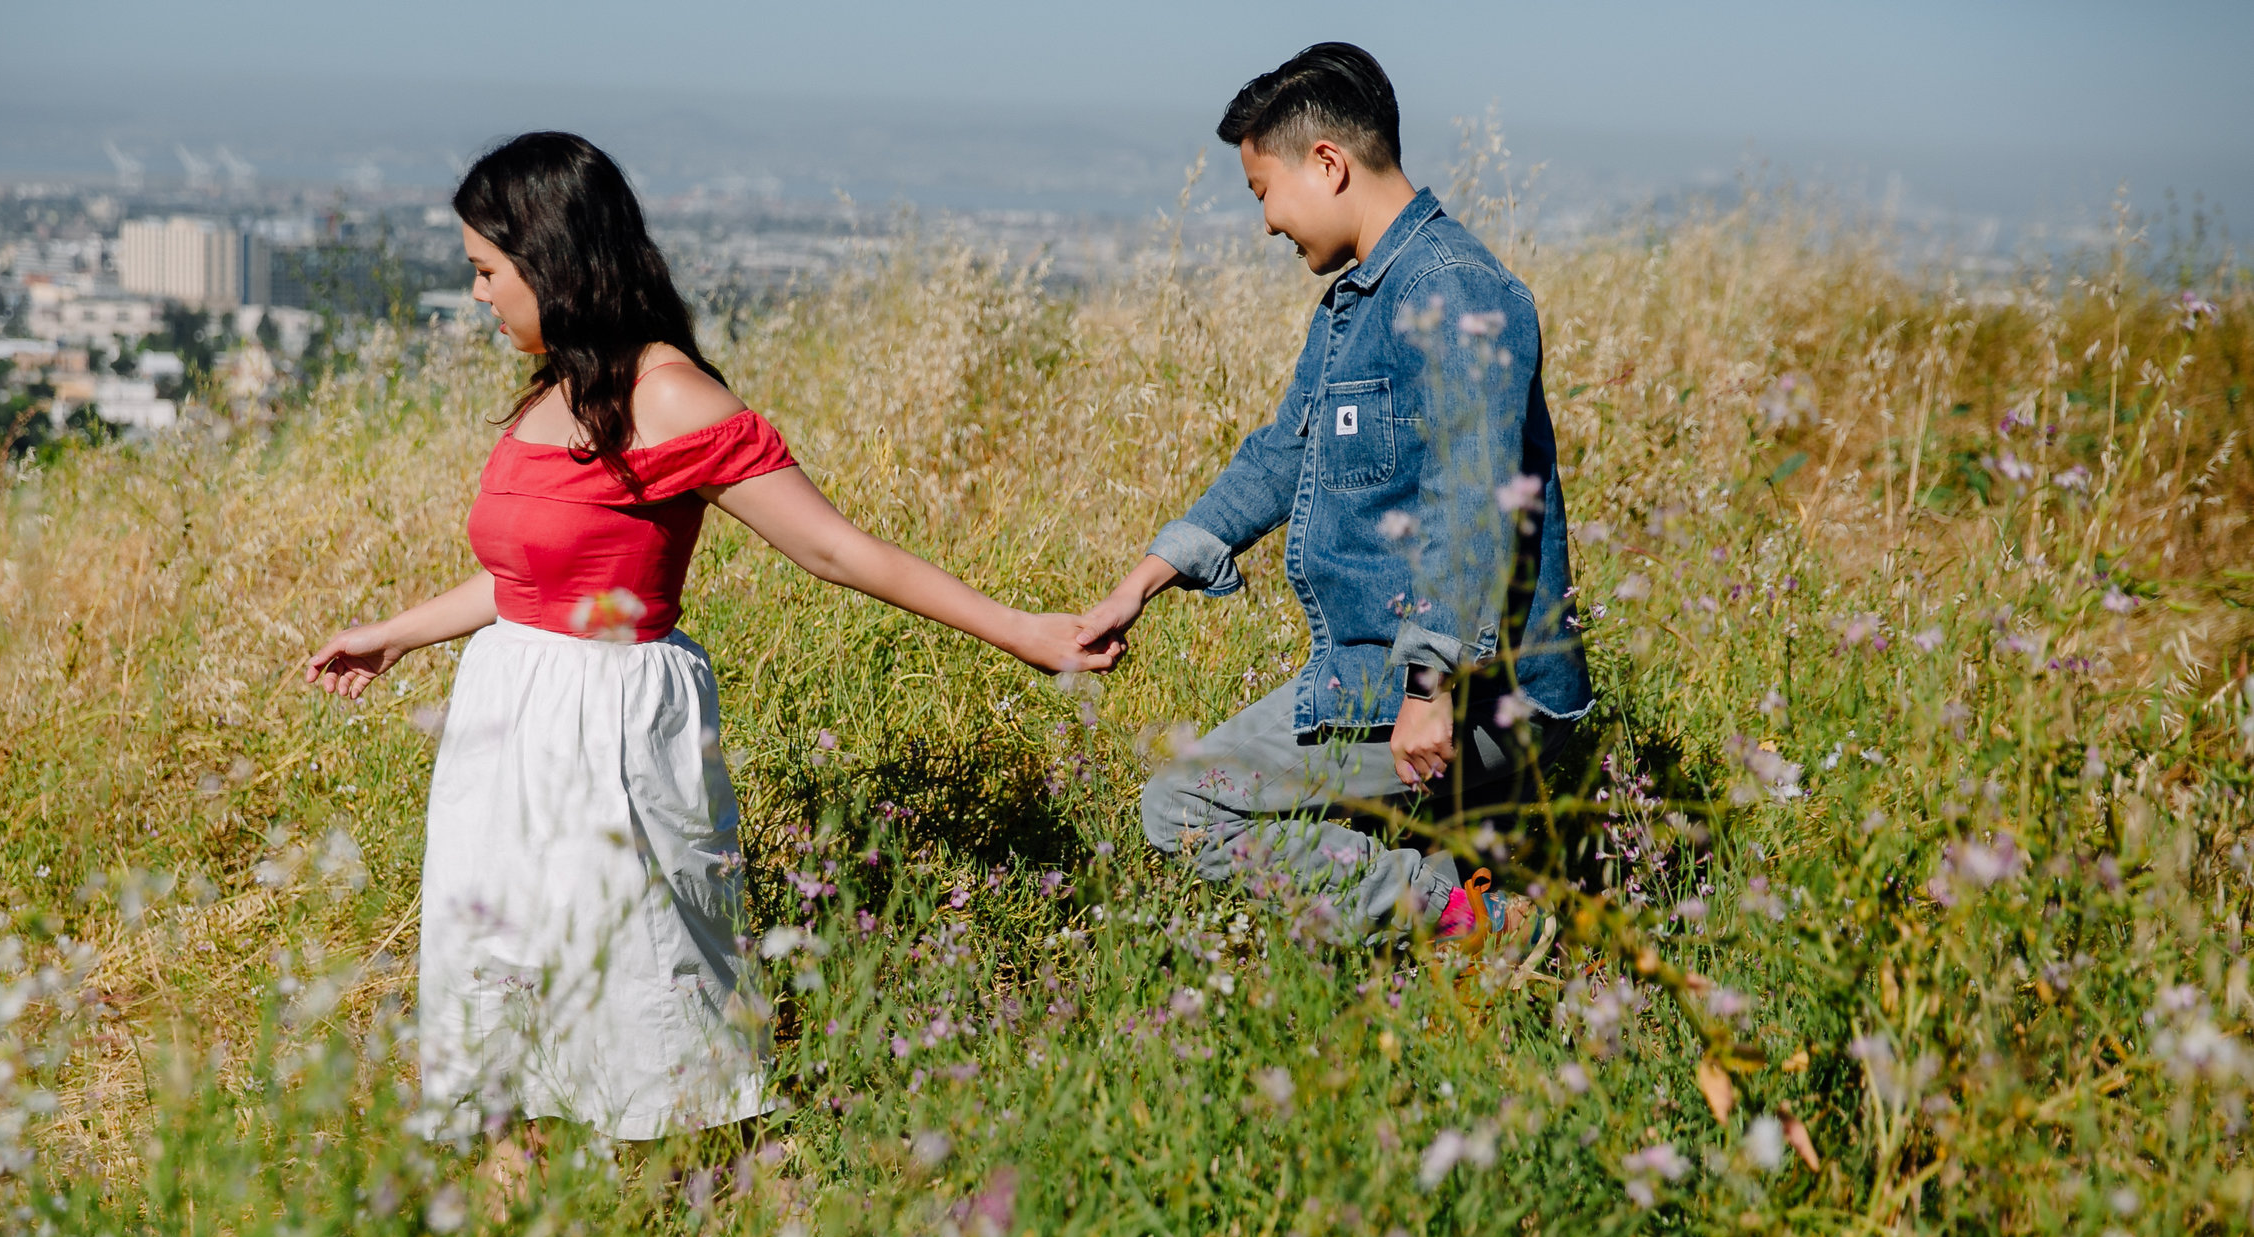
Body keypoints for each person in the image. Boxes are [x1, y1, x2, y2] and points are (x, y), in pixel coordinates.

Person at [306, 132, 1118, 1141]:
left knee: (645, 978)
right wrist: (396, 635)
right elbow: (529, 578)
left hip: (611, 726)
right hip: (505, 720)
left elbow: (835, 551)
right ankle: (514, 1234)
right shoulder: (556, 390)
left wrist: (1021, 632)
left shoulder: (672, 396)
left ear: (551, 261)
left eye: (486, 271)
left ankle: (710, 1203)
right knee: (497, 977)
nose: (478, 296)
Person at [1075, 43, 1593, 967]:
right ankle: (1442, 915)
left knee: (1185, 804)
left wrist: (1429, 692)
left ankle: (1484, 928)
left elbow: (1472, 507)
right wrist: (1143, 580)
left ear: (1328, 163)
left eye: (1262, 191)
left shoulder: (1455, 291)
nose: (1267, 223)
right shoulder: (1356, 301)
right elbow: (1283, 456)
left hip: (1466, 690)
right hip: (1382, 671)